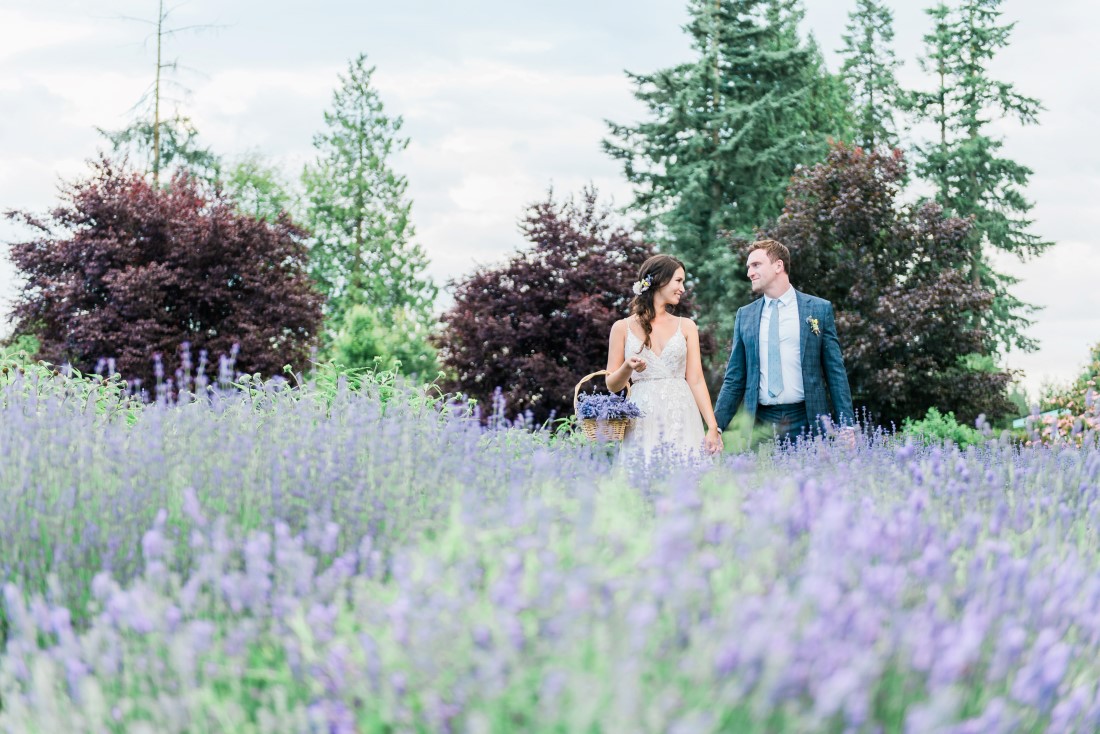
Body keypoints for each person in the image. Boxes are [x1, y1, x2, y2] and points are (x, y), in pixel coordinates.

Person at [713, 239, 855, 444]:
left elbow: (835, 371)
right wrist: (716, 426)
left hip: (808, 420)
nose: (749, 273)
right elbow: (734, 377)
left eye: (756, 265)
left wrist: (847, 425)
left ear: (778, 265)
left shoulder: (818, 309)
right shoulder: (745, 316)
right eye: (748, 267)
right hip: (760, 424)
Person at [605, 255, 724, 462]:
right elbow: (612, 385)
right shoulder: (621, 328)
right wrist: (626, 368)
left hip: (681, 412)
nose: (683, 288)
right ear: (659, 280)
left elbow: (696, 380)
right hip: (642, 416)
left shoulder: (687, 326)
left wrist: (713, 427)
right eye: (678, 281)